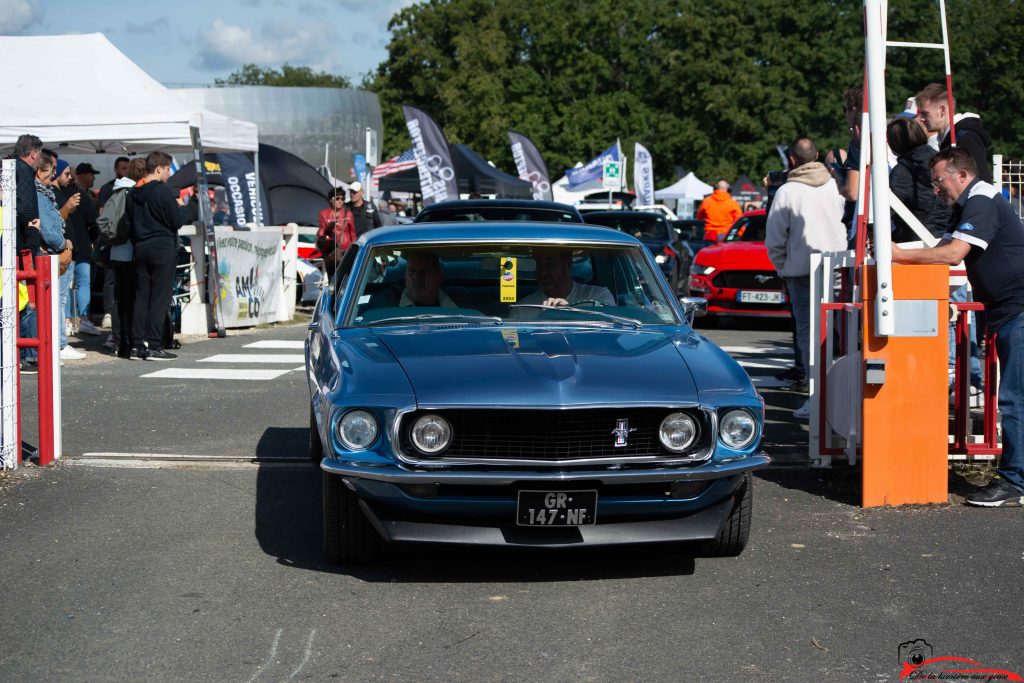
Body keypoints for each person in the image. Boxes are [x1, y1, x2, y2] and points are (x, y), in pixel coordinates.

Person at [891, 147, 1024, 507]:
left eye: (939, 180)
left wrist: (897, 256)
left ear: (961, 175)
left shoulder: (980, 201)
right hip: (1008, 311)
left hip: (1017, 310)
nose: (936, 189)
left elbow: (952, 254)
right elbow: (940, 246)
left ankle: (1014, 481)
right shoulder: (971, 203)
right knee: (1014, 397)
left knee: (1014, 399)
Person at [765, 138, 847, 419]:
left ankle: (818, 399)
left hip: (802, 272)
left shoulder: (788, 191)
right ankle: (840, 397)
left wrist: (783, 267)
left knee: (809, 337)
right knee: (840, 334)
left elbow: (775, 237)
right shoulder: (835, 185)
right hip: (838, 269)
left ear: (791, 161)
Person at [129, 151, 184, 361]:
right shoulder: (163, 192)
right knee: (159, 297)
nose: (169, 173)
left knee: (141, 296)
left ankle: (136, 345)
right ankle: (154, 344)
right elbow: (176, 221)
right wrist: (182, 209)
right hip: (162, 247)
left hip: (140, 247)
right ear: (159, 168)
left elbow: (129, 222)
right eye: (168, 168)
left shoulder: (133, 193)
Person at [34, 152, 84, 361]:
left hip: (55, 251)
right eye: (52, 171)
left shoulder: (45, 192)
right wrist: (63, 244)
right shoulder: (40, 193)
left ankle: (55, 344)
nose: (54, 175)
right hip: (52, 253)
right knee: (57, 301)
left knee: (57, 300)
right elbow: (47, 227)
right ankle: (58, 344)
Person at [107, 159, 147, 358]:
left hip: (116, 251)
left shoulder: (116, 190)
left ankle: (121, 342)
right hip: (131, 251)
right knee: (134, 300)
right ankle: (132, 341)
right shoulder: (135, 193)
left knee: (120, 300)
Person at [886, 116, 950, 240]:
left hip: (916, 240)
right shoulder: (943, 160)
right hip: (947, 234)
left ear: (894, 144)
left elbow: (889, 209)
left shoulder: (901, 172)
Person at [916, 82, 992, 183]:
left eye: (925, 113)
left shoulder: (965, 137)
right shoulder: (946, 139)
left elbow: (981, 181)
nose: (921, 119)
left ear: (942, 110)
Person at [63, 163, 103, 336]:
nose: (93, 178)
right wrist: (96, 240)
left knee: (65, 285)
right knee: (83, 282)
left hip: (65, 245)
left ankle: (65, 320)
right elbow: (94, 222)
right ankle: (83, 319)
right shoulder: (82, 196)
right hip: (83, 246)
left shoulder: (57, 193)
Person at [518, 248, 614, 307]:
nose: (542, 271)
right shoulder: (523, 308)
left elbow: (608, 333)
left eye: (550, 263)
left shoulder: (598, 297)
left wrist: (570, 313)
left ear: (567, 264)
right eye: (538, 264)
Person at [317, 191, 356, 281]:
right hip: (331, 250)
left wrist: (354, 249)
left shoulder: (348, 214)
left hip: (346, 250)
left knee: (346, 278)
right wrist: (329, 227)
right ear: (331, 200)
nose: (340, 201)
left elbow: (353, 234)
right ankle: (334, 294)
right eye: (337, 198)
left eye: (342, 199)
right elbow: (321, 234)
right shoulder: (324, 214)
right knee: (332, 279)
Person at [14, 134, 43, 256]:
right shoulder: (24, 171)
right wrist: (33, 226)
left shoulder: (10, 167)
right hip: (22, 239)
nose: (40, 160)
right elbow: (26, 208)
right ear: (34, 153)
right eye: (40, 156)